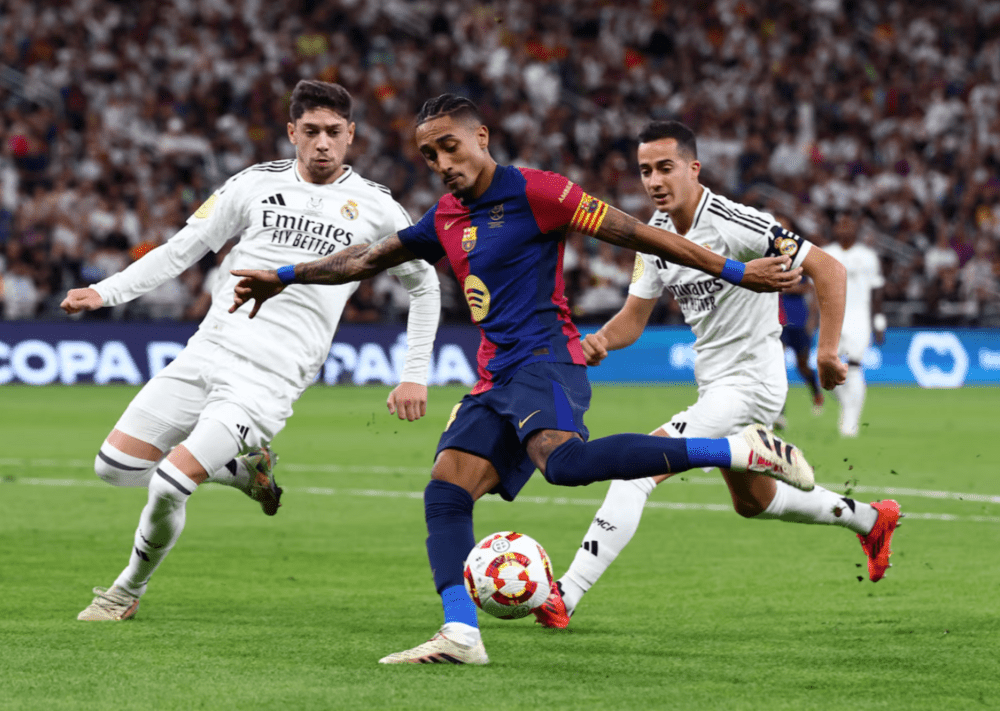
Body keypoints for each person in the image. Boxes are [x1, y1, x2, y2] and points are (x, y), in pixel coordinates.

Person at [229, 95, 813, 666]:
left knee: (563, 464)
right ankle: (461, 631)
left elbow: (636, 233)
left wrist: (734, 269)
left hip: (546, 360)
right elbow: (363, 259)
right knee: (446, 491)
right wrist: (285, 275)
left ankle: (738, 450)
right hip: (495, 376)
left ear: (481, 138)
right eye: (430, 155)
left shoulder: (540, 192)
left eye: (450, 147)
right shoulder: (445, 217)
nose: (442, 164)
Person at [61, 80, 441, 621]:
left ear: (352, 135)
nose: (323, 143)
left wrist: (414, 374)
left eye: (334, 132)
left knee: (169, 485)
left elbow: (426, 286)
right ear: (291, 132)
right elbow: (183, 249)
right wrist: (106, 292)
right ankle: (241, 472)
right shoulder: (253, 184)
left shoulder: (378, 208)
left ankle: (125, 592)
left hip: (269, 377)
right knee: (114, 468)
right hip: (206, 351)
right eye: (311, 131)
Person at [535, 121, 902, 631]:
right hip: (716, 384)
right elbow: (632, 320)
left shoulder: (738, 223)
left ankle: (565, 594)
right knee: (755, 502)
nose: (655, 180)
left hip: (751, 383)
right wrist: (599, 341)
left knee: (635, 471)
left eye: (665, 168)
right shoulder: (654, 237)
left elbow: (829, 268)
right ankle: (871, 519)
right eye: (646, 171)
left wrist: (827, 350)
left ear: (693, 168)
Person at [822, 212, 886, 437]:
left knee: (855, 367)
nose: (844, 228)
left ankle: (850, 424)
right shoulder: (826, 254)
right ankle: (848, 406)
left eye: (849, 224)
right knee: (827, 369)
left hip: (859, 317)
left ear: (856, 229)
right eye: (840, 224)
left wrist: (879, 321)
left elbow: (877, 291)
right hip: (831, 318)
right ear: (834, 229)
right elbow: (815, 288)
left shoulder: (868, 256)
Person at [774, 214, 824, 430]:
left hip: (800, 320)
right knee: (777, 367)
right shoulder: (767, 256)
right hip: (778, 321)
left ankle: (816, 392)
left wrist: (813, 319)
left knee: (802, 366)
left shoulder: (800, 258)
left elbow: (810, 289)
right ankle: (779, 413)